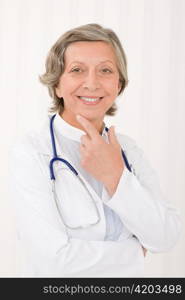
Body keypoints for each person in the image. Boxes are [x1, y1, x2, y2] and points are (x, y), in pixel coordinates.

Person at [9, 23, 181, 277]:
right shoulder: (32, 151)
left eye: (105, 70)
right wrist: (135, 252)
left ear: (119, 84)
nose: (92, 83)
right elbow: (52, 261)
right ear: (57, 84)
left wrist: (115, 177)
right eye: (77, 70)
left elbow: (166, 236)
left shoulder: (129, 150)